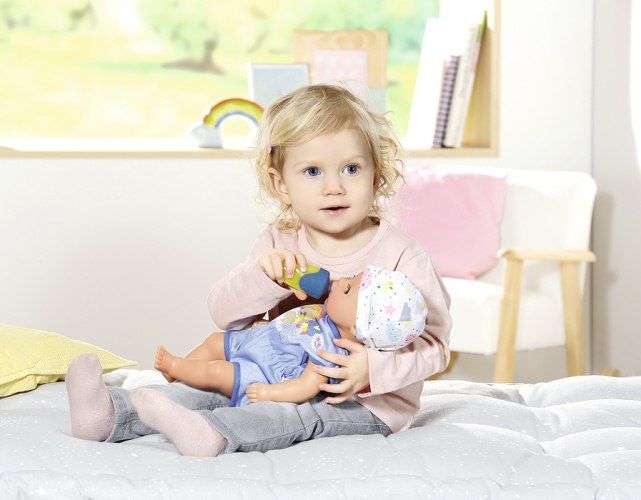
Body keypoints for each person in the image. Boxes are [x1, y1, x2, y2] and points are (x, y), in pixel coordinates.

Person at [65, 84, 452, 457]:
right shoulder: (279, 241)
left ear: (377, 175)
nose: (334, 187)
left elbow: (435, 347)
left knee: (296, 415)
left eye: (351, 168)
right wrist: (264, 279)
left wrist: (373, 368)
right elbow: (223, 314)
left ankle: (215, 435)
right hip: (272, 371)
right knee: (210, 386)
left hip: (361, 403)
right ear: (280, 184)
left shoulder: (402, 256)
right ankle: (109, 415)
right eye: (312, 171)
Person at [153, 265, 428, 406]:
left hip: (265, 371)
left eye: (348, 289)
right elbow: (293, 326)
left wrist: (270, 393)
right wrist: (264, 326)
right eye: (351, 278)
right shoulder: (323, 312)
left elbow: (307, 386)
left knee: (218, 371)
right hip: (259, 342)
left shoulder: (332, 351)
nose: (342, 281)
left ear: (357, 328)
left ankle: (176, 366)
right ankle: (178, 378)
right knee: (215, 341)